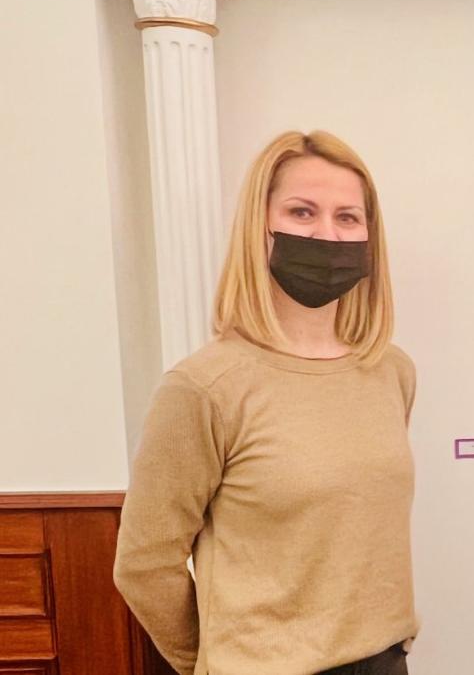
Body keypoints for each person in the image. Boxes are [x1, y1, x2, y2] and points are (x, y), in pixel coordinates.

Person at [114, 131, 418, 675]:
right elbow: (145, 564)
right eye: (302, 212)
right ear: (259, 226)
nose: (327, 234)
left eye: (348, 217)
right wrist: (214, 660)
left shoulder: (390, 372)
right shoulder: (204, 388)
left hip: (384, 660)